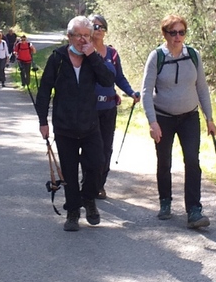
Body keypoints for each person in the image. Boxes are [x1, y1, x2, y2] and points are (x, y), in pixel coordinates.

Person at [35, 16, 115, 231]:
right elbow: (44, 92)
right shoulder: (58, 58)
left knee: (97, 164)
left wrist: (93, 56)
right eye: (78, 35)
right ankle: (72, 211)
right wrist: (43, 122)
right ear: (69, 37)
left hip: (90, 125)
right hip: (65, 126)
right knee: (69, 172)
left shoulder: (92, 58)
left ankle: (88, 199)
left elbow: (108, 81)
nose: (83, 40)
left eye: (86, 35)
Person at [141, 14, 215, 229]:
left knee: (192, 160)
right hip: (163, 116)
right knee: (164, 161)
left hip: (189, 116)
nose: (177, 36)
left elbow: (202, 87)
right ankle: (165, 201)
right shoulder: (156, 57)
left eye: (181, 32)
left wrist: (209, 118)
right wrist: (152, 122)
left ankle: (194, 210)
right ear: (164, 34)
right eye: (173, 32)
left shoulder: (193, 55)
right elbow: (146, 92)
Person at [88, 14, 140, 199]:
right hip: (89, 109)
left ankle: (100, 184)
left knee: (106, 148)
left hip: (109, 108)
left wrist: (131, 92)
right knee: (90, 148)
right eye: (95, 26)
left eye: (102, 27)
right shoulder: (84, 51)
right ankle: (89, 182)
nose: (99, 30)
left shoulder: (112, 53)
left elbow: (119, 77)